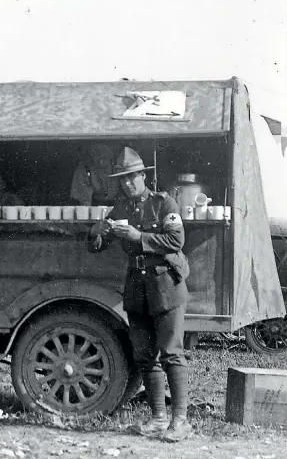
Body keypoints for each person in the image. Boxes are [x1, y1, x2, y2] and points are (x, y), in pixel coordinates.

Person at [87, 147, 192, 442]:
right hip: (137, 286)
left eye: (132, 177)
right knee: (145, 356)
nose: (128, 183)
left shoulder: (163, 203)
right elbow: (96, 246)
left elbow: (176, 239)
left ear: (143, 176)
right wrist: (97, 230)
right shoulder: (120, 209)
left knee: (171, 352)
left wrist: (139, 238)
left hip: (166, 286)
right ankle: (159, 418)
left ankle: (180, 421)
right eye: (123, 179)